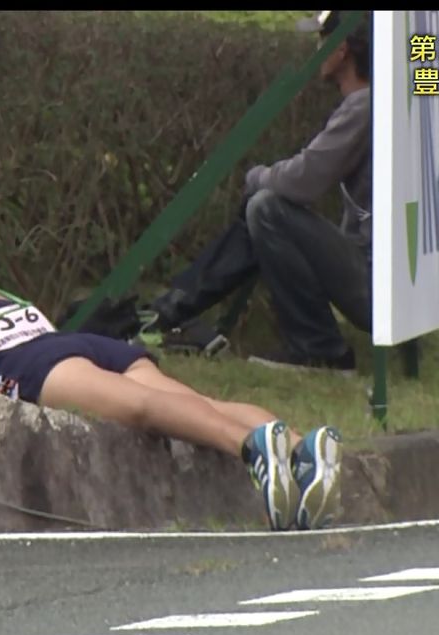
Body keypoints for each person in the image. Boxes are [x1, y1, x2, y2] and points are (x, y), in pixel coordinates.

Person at [0, 283, 344, 532]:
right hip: (78, 340)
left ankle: (253, 449)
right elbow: (21, 305)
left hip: (37, 365)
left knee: (145, 407)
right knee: (196, 400)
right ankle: (300, 449)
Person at [143, 10, 373, 375]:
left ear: (341, 48)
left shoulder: (364, 106)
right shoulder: (374, 104)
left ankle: (320, 349)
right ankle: (168, 310)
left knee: (266, 207)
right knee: (264, 207)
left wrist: (257, 176)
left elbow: (303, 180)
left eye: (321, 40)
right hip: (383, 278)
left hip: (375, 283)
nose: (316, 49)